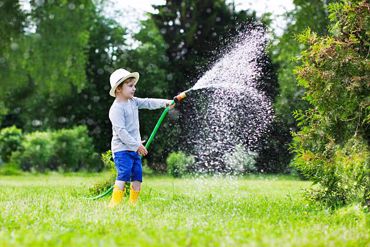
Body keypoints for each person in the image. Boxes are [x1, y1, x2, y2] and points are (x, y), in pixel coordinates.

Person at [108, 68, 173, 208]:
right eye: (130, 86)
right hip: (122, 149)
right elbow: (121, 132)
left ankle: (133, 205)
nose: (134, 89)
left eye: (134, 85)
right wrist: (136, 145)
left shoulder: (133, 102)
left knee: (137, 177)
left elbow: (148, 102)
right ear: (118, 89)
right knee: (124, 175)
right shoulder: (116, 109)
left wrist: (165, 102)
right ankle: (114, 205)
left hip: (134, 147)